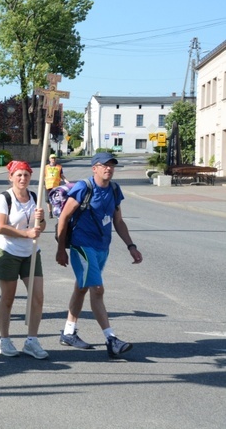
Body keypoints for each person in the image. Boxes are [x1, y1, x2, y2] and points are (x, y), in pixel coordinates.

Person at [56, 152, 143, 359]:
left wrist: (131, 246)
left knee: (82, 287)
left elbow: (118, 221)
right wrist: (60, 249)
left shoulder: (114, 189)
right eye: (104, 165)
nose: (109, 169)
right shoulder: (84, 188)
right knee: (97, 289)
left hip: (102, 247)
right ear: (94, 167)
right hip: (82, 245)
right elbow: (64, 217)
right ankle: (111, 339)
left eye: (111, 165)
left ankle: (68, 332)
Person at [0, 160, 48, 359]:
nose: (23, 178)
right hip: (7, 252)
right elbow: (0, 227)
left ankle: (32, 340)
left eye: (26, 175)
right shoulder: (4, 198)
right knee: (8, 298)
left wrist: (40, 220)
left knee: (38, 296)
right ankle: (4, 340)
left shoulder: (34, 196)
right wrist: (27, 234)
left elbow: (41, 227)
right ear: (11, 177)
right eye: (19, 175)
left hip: (31, 252)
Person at [45, 153, 69, 218]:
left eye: (54, 158)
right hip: (48, 186)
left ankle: (57, 211)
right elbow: (43, 176)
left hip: (56, 186)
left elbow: (62, 176)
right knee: (47, 200)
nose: (53, 159)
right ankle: (50, 212)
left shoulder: (59, 167)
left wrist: (67, 182)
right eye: (52, 158)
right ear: (49, 159)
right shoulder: (46, 167)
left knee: (57, 200)